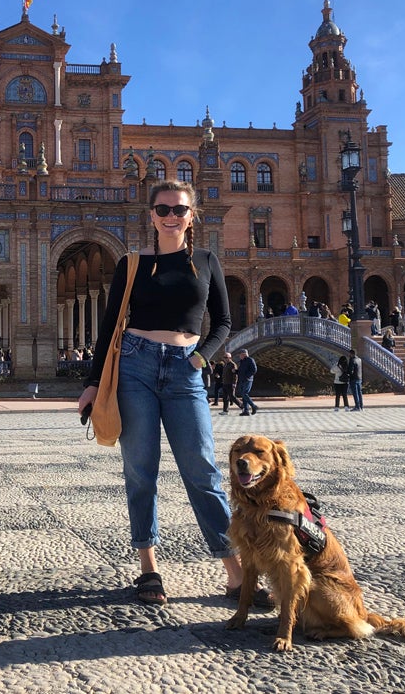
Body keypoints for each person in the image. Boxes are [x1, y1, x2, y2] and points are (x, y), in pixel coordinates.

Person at [76, 180, 270, 609]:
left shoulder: (206, 261)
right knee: (140, 470)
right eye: (162, 209)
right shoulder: (132, 264)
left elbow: (221, 322)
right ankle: (148, 567)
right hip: (135, 367)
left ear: (192, 216)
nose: (170, 216)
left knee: (202, 470)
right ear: (151, 215)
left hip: (186, 370)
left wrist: (201, 359)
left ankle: (235, 572)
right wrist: (92, 382)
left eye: (179, 210)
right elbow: (109, 326)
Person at [236, 348, 259, 416]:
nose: (239, 356)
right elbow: (241, 371)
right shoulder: (242, 361)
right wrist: (236, 371)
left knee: (244, 393)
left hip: (248, 380)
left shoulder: (250, 360)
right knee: (243, 395)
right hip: (242, 380)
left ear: (244, 354)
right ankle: (246, 411)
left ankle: (253, 406)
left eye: (240, 355)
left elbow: (254, 370)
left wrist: (247, 376)